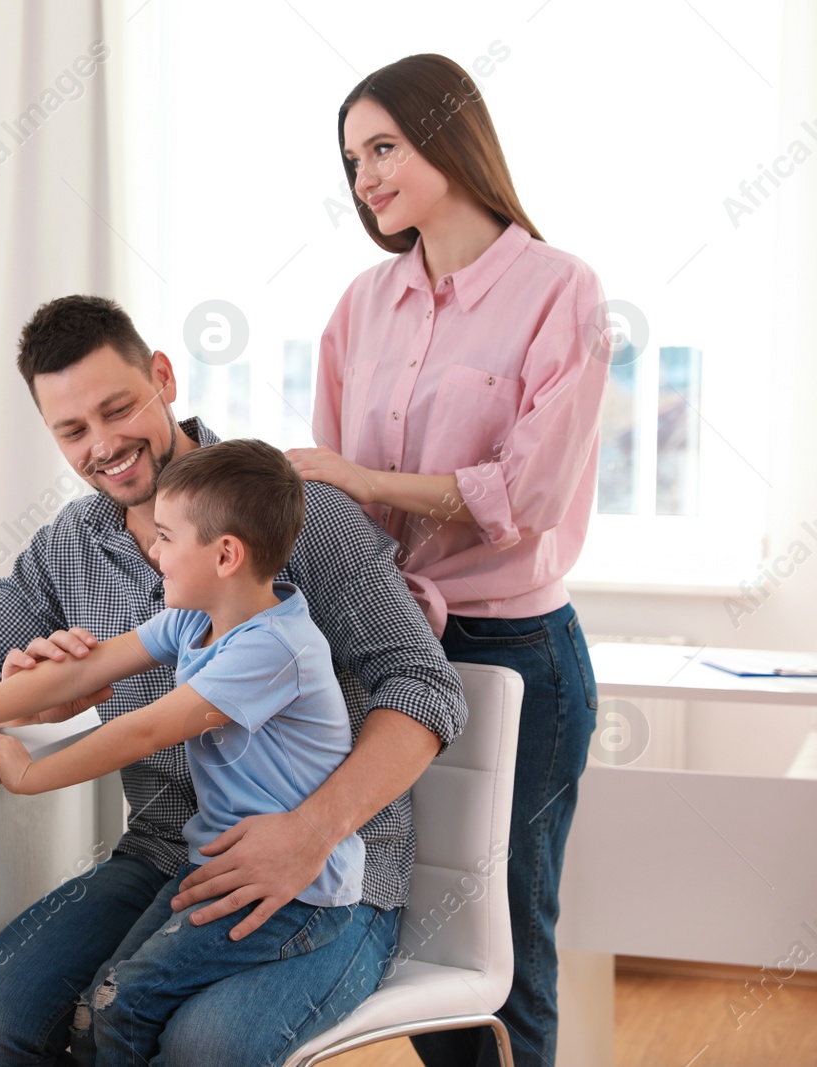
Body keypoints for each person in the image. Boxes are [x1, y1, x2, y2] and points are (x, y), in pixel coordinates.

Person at [0, 294, 468, 1066]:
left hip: (322, 874)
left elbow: (424, 686)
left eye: (118, 408)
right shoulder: (68, 547)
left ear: (163, 376)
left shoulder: (293, 513)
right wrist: (28, 691)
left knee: (200, 1046)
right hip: (165, 853)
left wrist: (309, 831)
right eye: (72, 430)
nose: (105, 445)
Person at [288, 54, 609, 1067]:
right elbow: (335, 493)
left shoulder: (560, 290)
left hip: (517, 650)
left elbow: (523, 497)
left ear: (449, 134)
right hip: (391, 647)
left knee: (511, 926)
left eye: (383, 146)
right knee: (425, 925)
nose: (365, 177)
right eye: (351, 161)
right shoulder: (361, 305)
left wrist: (361, 479)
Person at [0, 439, 367, 1064]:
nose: (153, 552)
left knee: (121, 1005)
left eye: (165, 537)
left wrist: (29, 774)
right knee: (98, 1007)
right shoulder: (198, 619)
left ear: (225, 555)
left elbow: (141, 730)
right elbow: (79, 673)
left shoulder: (273, 649)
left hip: (290, 894)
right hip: (212, 867)